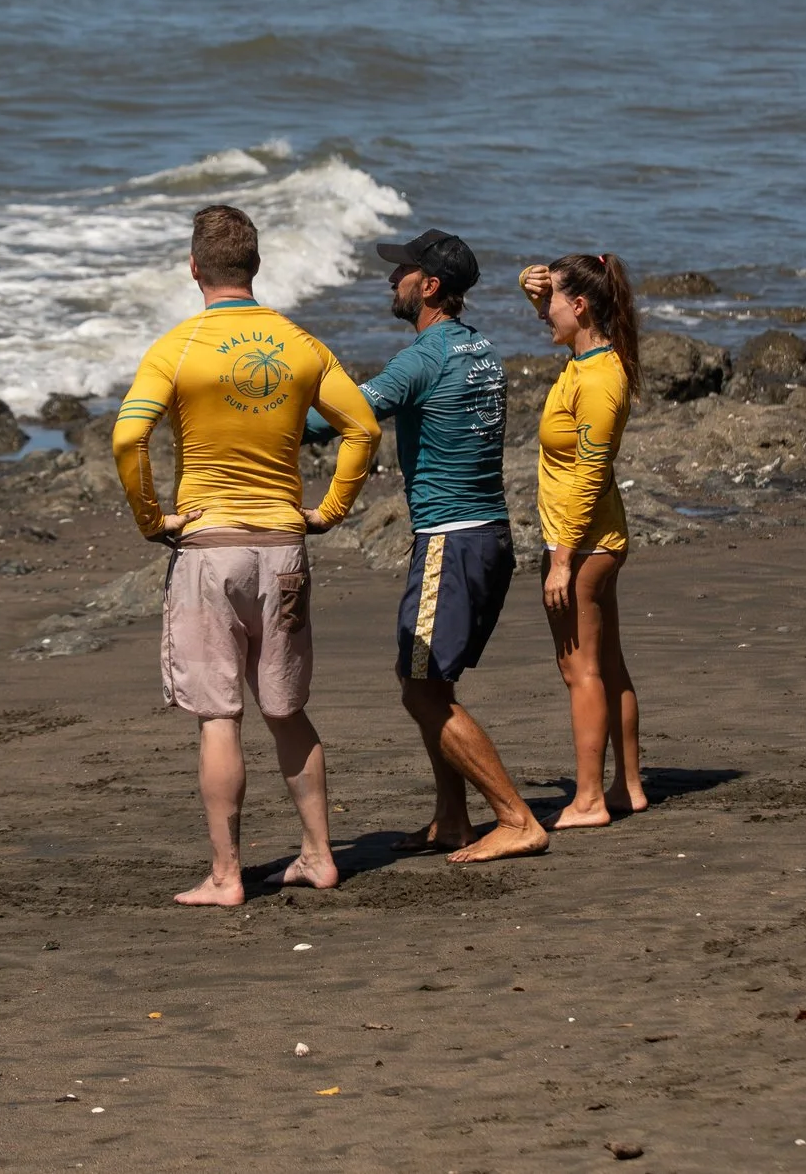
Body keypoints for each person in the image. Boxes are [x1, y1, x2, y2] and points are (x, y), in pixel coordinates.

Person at [113, 204, 383, 907]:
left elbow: (127, 439)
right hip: (283, 547)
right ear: (256, 266)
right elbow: (362, 427)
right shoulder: (298, 343)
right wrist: (329, 509)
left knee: (219, 714)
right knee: (286, 708)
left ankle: (228, 875)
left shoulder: (177, 346)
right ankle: (320, 855)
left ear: (194, 266)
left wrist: (153, 518)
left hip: (209, 549)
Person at [305, 229, 546, 863]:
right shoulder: (480, 349)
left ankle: (517, 818)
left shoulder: (423, 358)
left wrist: (261, 417)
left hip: (452, 543)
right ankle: (451, 819)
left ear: (430, 286)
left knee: (422, 690)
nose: (392, 281)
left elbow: (344, 417)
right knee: (424, 680)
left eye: (403, 272)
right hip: (486, 538)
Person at [519, 253, 646, 829]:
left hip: (585, 544)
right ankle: (629, 788)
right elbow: (558, 324)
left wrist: (561, 562)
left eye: (551, 303)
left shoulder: (598, 381)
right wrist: (531, 285)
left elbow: (592, 474)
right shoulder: (588, 359)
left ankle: (591, 798)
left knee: (582, 672)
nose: (544, 313)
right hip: (596, 539)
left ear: (581, 305)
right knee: (608, 666)